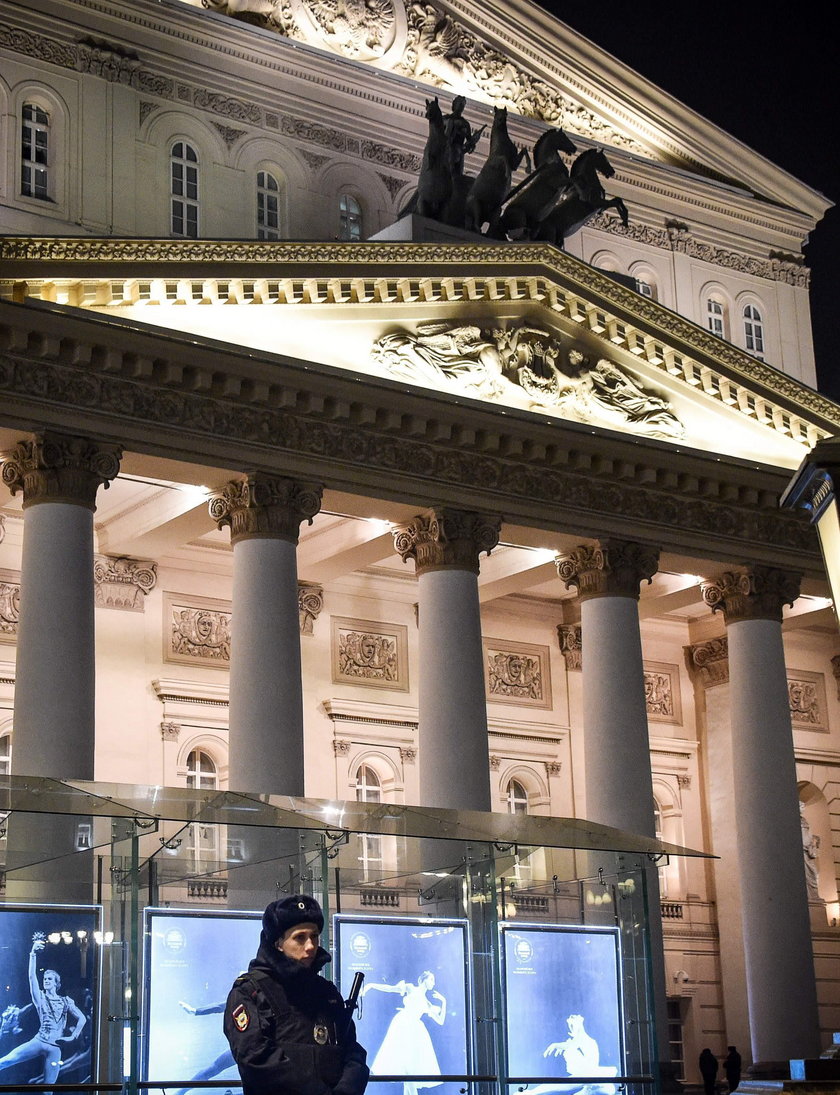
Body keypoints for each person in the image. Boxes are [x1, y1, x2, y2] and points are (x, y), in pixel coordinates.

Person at [224, 895, 369, 1095]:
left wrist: (346, 1090)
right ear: (278, 943)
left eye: (315, 936)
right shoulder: (250, 991)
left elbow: (353, 1053)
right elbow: (256, 1057)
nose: (310, 946)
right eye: (300, 937)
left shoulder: (326, 993)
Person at [0, 936, 86, 1095]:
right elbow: (32, 977)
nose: (46, 981)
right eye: (45, 979)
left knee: (48, 1089)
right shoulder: (40, 997)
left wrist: (73, 1037)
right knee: (5, 1061)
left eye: (49, 979)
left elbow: (82, 1018)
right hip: (39, 1041)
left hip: (55, 1047)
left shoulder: (66, 1001)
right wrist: (33, 954)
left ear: (56, 983)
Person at [361, 971, 446, 1095]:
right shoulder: (411, 988)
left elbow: (440, 1021)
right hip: (404, 1024)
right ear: (423, 980)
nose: (433, 983)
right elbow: (391, 989)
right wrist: (371, 985)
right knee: (407, 1070)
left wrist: (444, 1002)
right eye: (431, 979)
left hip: (415, 1030)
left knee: (409, 1071)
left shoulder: (427, 1003)